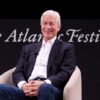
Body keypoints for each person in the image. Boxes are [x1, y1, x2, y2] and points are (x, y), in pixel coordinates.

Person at [0, 10, 76, 100]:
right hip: (27, 90)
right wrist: (23, 85)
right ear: (41, 26)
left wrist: (44, 83)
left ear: (58, 27)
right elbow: (17, 72)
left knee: (45, 88)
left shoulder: (67, 48)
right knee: (1, 89)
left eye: (51, 23)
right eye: (45, 23)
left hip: (50, 89)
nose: (48, 27)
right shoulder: (28, 48)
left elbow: (65, 73)